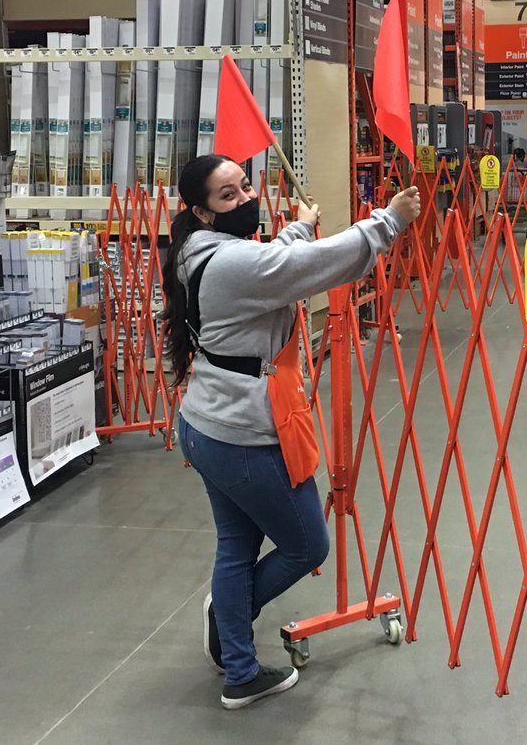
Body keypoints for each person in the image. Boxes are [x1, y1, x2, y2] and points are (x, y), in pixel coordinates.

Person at [161, 154, 421, 710]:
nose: (245, 198)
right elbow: (312, 266)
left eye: (244, 186)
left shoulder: (192, 250)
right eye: (228, 196)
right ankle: (232, 625)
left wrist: (298, 225)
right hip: (241, 435)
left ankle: (237, 659)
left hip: (207, 423)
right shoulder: (232, 264)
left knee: (236, 546)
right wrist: (389, 221)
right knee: (307, 543)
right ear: (203, 212)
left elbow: (271, 262)